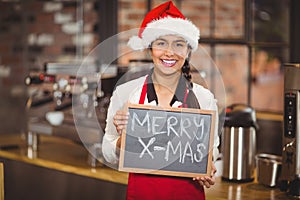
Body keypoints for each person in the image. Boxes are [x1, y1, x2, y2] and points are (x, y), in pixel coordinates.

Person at [102, 1, 219, 199]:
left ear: (188, 50)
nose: (169, 52)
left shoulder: (204, 98)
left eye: (179, 44)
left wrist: (207, 167)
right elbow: (107, 151)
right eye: (161, 43)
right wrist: (125, 139)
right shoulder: (125, 93)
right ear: (150, 49)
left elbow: (212, 149)